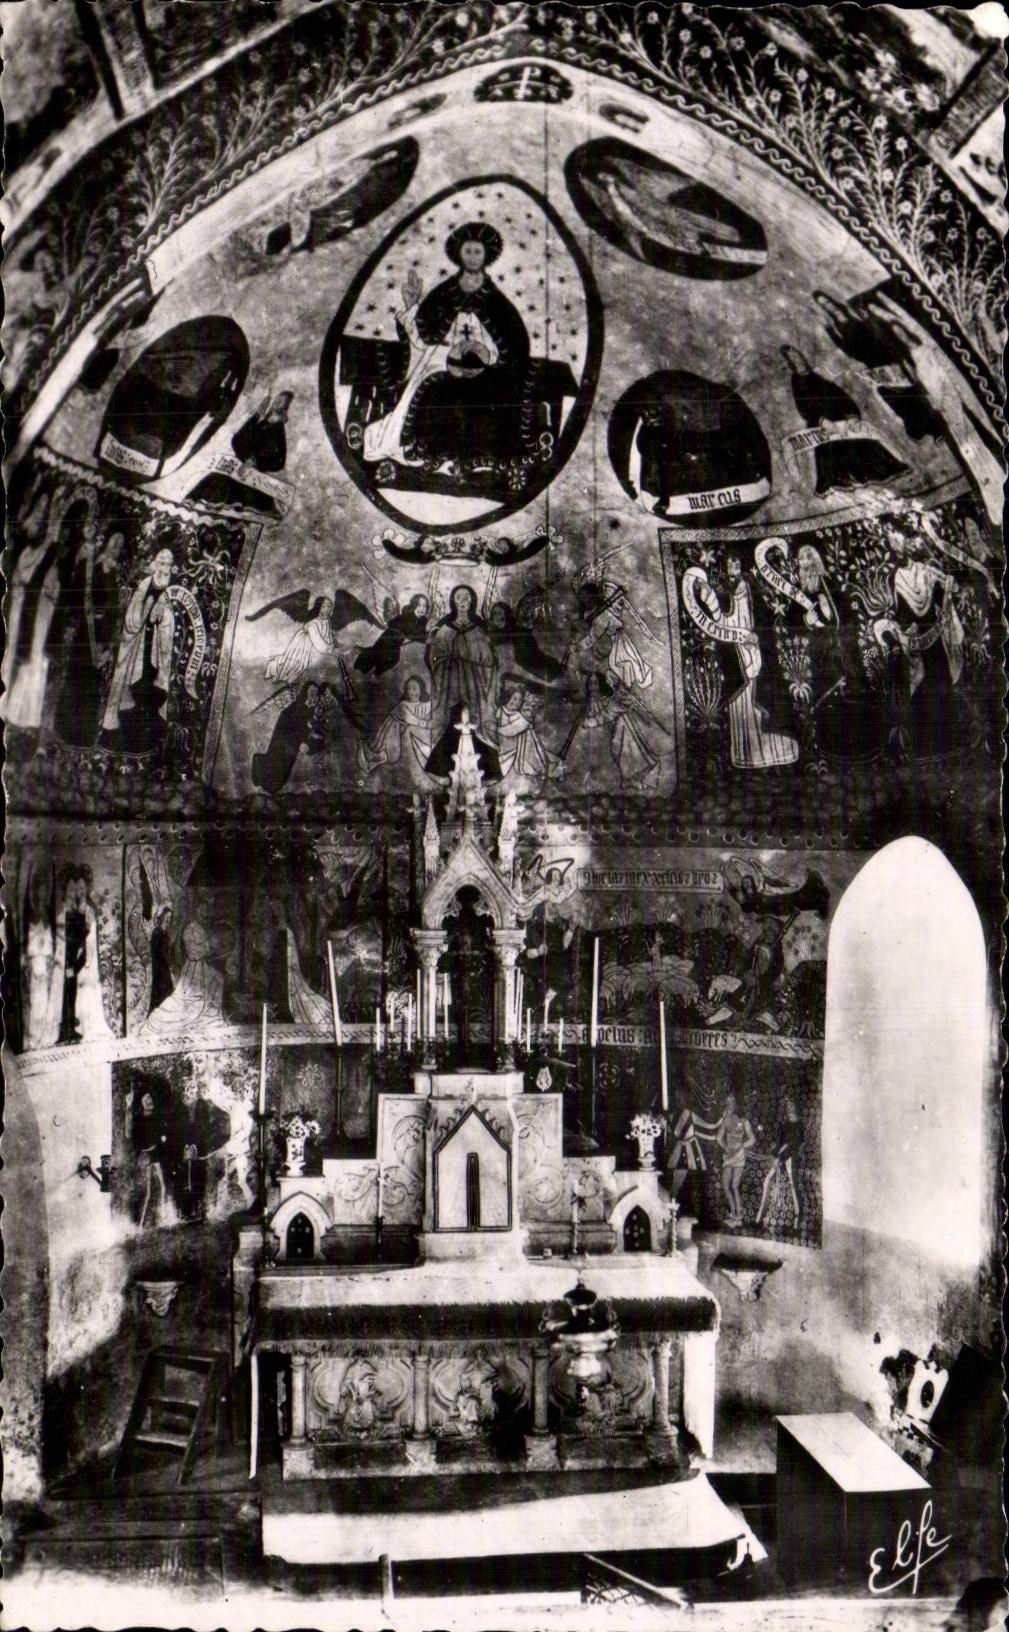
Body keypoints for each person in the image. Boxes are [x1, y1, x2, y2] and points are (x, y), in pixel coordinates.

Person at [364, 221, 536, 483]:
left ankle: (474, 463)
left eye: (477, 251)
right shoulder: (444, 293)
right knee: (437, 391)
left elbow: (514, 343)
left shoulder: (495, 299)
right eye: (468, 251)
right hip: (440, 362)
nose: (473, 257)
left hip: (483, 367)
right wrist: (412, 306)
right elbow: (422, 337)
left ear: (486, 256)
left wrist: (487, 354)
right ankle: (436, 458)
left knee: (488, 394)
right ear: (459, 254)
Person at [682, 556, 799, 769]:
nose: (734, 569)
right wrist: (710, 599)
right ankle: (747, 756)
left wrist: (757, 638)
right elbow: (721, 623)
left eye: (737, 564)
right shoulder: (725, 593)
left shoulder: (754, 591)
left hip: (755, 652)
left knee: (761, 700)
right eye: (730, 565)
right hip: (736, 656)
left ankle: (772, 753)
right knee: (741, 703)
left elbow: (765, 624)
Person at [780, 344, 907, 494]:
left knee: (861, 443)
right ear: (791, 363)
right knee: (833, 449)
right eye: (793, 358)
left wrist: (851, 415)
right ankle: (844, 480)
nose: (798, 360)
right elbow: (805, 409)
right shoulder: (797, 382)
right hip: (822, 423)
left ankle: (873, 474)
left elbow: (841, 397)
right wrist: (822, 420)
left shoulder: (817, 377)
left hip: (839, 417)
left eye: (798, 355)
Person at [52, 530, 126, 749]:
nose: (116, 546)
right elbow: (76, 595)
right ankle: (65, 729)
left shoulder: (117, 575)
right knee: (76, 677)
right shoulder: (91, 567)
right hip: (85, 634)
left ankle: (84, 736)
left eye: (120, 545)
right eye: (114, 540)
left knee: (92, 684)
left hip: (102, 637)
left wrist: (108, 642)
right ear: (107, 542)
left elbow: (116, 609)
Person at [99, 548, 176, 753]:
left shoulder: (170, 590)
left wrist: (163, 615)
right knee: (134, 686)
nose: (164, 568)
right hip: (139, 647)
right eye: (162, 563)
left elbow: (170, 621)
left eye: (168, 564)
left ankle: (148, 735)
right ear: (156, 564)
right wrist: (146, 609)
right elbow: (132, 615)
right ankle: (123, 732)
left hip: (157, 649)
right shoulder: (145, 584)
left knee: (152, 688)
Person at [424, 584, 501, 780]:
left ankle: (487, 774)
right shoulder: (444, 630)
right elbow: (435, 659)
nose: (463, 601)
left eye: (467, 597)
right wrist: (444, 652)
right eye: (459, 597)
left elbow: (489, 660)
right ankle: (443, 772)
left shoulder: (479, 631)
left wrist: (467, 652)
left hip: (474, 687)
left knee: (477, 723)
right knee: (452, 721)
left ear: (473, 601)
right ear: (453, 601)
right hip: (450, 687)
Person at [358, 675, 432, 781]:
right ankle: (369, 757)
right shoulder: (403, 705)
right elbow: (410, 719)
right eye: (408, 689)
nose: (411, 692)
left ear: (421, 690)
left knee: (388, 756)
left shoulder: (423, 705)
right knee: (391, 754)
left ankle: (368, 766)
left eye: (414, 688)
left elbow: (430, 706)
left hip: (401, 731)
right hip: (392, 729)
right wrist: (428, 724)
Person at [355, 593, 430, 678]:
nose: (422, 609)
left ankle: (374, 673)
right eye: (419, 605)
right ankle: (364, 667)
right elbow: (411, 633)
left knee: (390, 658)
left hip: (396, 642)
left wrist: (427, 634)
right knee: (380, 654)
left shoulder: (423, 620)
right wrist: (426, 639)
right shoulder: (407, 616)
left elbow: (421, 633)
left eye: (425, 606)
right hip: (390, 637)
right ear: (413, 606)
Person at [756, 1096, 802, 1228]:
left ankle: (797, 1223)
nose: (789, 1108)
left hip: (791, 1157)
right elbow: (780, 1143)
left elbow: (793, 1144)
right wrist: (774, 1155)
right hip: (781, 1156)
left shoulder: (799, 1124)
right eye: (787, 1106)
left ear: (796, 1107)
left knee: (793, 1185)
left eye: (791, 1105)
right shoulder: (785, 1124)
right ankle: (758, 1219)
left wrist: (779, 1157)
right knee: (767, 1181)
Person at [716, 1094, 755, 1229]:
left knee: (734, 1186)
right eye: (728, 1103)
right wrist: (725, 1147)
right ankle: (734, 1215)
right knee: (726, 1185)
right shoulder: (726, 1120)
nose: (730, 1105)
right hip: (729, 1156)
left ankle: (738, 1218)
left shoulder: (744, 1121)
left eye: (732, 1102)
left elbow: (752, 1139)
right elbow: (718, 1138)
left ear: (737, 1104)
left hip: (739, 1156)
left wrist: (742, 1146)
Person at [148, 905, 176, 1014]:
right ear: (162, 917)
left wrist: (169, 964)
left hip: (165, 968)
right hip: (159, 968)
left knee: (168, 993)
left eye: (170, 918)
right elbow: (159, 952)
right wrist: (168, 964)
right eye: (167, 917)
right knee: (161, 993)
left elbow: (167, 951)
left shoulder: (166, 934)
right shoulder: (157, 932)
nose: (168, 919)